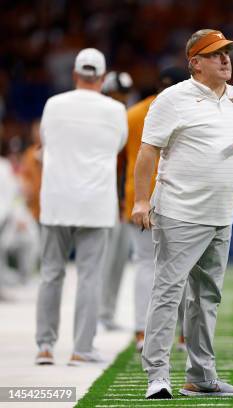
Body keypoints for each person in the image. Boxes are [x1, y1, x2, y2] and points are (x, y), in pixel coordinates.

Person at [132, 29, 233, 399]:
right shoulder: (173, 99)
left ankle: (201, 377)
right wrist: (141, 202)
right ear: (195, 63)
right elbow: (147, 152)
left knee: (207, 297)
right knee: (168, 294)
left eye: (227, 53)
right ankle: (157, 375)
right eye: (216, 54)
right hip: (179, 213)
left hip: (221, 213)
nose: (225, 60)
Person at [34, 48, 127, 366]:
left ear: (75, 74)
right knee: (90, 277)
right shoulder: (115, 110)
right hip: (95, 202)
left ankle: (45, 347)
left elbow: (45, 142)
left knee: (50, 274)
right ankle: (81, 349)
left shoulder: (53, 105)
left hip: (57, 199)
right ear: (102, 78)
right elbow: (118, 146)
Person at [123, 66, 188, 351]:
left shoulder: (134, 113)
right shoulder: (187, 110)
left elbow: (117, 161)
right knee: (184, 267)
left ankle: (141, 331)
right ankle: (186, 335)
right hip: (178, 196)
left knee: (144, 264)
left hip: (137, 196)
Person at [98, 71, 134, 331]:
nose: (120, 100)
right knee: (101, 259)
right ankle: (98, 313)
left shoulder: (126, 118)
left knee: (118, 258)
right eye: (116, 95)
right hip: (99, 196)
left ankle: (106, 313)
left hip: (118, 197)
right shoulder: (97, 119)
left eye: (123, 96)